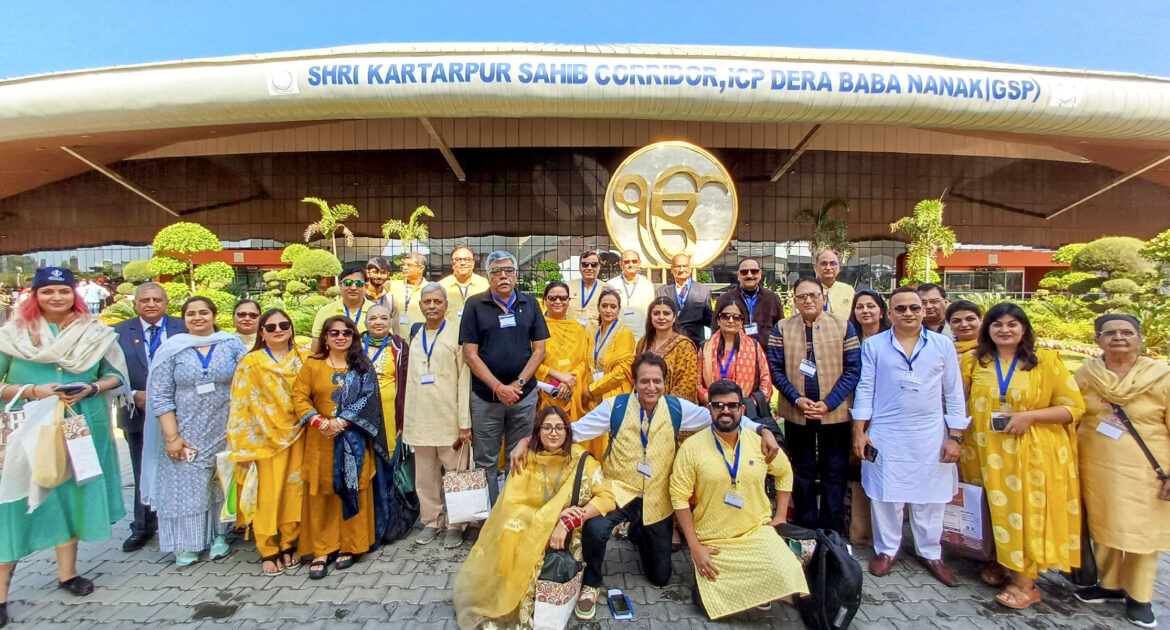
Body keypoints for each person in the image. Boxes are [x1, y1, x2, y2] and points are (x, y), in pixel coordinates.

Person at [508, 353, 781, 620]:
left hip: (657, 499)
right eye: (644, 381)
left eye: (657, 381)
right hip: (617, 490)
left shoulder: (677, 409)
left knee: (660, 578)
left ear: (665, 383)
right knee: (596, 528)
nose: (651, 387)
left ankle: (638, 534)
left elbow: (723, 416)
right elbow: (574, 431)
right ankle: (591, 582)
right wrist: (525, 441)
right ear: (635, 383)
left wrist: (762, 430)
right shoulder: (614, 406)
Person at [0, 267, 129, 625]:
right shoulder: (13, 335)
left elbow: (115, 375)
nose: (56, 298)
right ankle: (1, 593)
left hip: (81, 424)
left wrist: (92, 388)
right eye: (48, 292)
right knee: (14, 501)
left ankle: (67, 574)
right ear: (34, 295)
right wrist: (32, 391)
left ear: (75, 294)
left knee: (73, 492)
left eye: (63, 291)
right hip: (30, 428)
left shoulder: (94, 334)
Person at [959, 302, 1086, 610]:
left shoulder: (1045, 362)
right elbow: (957, 403)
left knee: (1025, 515)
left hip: (1029, 455)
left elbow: (1073, 408)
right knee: (991, 511)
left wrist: (1031, 416)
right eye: (997, 324)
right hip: (983, 453)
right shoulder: (974, 362)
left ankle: (1026, 583)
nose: (1005, 330)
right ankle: (1001, 561)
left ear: (1025, 329)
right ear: (987, 330)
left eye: (1012, 324)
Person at [455, 407, 615, 629]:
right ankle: (512, 596)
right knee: (510, 528)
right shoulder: (526, 458)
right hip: (529, 526)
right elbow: (511, 503)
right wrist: (546, 519)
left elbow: (607, 498)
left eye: (560, 428)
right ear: (537, 432)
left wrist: (569, 520)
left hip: (565, 534)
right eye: (546, 427)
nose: (553, 433)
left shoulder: (582, 461)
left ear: (568, 432)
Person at [851, 287, 966, 587]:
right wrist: (859, 431)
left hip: (929, 431)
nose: (908, 313)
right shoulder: (875, 345)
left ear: (923, 311)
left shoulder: (942, 345)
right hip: (887, 430)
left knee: (930, 496)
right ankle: (886, 551)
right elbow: (865, 388)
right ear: (889, 314)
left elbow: (954, 393)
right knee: (886, 494)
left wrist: (955, 437)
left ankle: (930, 552)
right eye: (900, 309)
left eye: (914, 308)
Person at [672, 379, 808, 620]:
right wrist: (695, 547)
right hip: (714, 538)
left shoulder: (761, 443)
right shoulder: (692, 447)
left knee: (788, 571)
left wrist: (779, 518)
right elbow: (679, 496)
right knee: (708, 601)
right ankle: (754, 593)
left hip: (755, 531)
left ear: (742, 410)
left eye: (732, 406)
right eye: (718, 406)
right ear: (709, 410)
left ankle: (754, 591)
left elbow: (785, 472)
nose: (725, 411)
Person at [1073, 314, 1170, 628]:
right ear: (1098, 340)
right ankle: (1110, 584)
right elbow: (1072, 410)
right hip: (1096, 465)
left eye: (1127, 332)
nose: (1118, 337)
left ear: (1139, 339)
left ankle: (1140, 597)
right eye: (1109, 332)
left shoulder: (1161, 377)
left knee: (1142, 534)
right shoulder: (1087, 374)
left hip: (1147, 468)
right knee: (1104, 524)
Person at [142, 296, 249, 565]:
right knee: (186, 486)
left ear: (214, 316)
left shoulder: (231, 344)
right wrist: (172, 437)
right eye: (191, 313)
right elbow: (161, 395)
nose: (198, 317)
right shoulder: (173, 349)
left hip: (226, 426)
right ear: (184, 318)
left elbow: (250, 379)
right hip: (186, 430)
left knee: (220, 482)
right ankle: (188, 543)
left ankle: (219, 537)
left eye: (204, 312)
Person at [292, 316, 392, 580]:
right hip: (320, 438)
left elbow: (369, 398)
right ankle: (322, 550)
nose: (340, 337)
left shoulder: (361, 366)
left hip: (353, 439)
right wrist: (318, 421)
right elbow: (299, 395)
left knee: (353, 486)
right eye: (333, 332)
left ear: (353, 337)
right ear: (325, 337)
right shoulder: (312, 365)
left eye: (346, 332)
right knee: (322, 490)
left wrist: (342, 420)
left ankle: (351, 545)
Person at [767, 276, 861, 535]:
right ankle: (807, 524)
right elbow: (775, 369)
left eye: (813, 295)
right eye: (801, 296)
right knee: (803, 469)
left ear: (824, 298)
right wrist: (797, 399)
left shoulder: (843, 327)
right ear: (794, 300)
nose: (807, 300)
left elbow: (853, 371)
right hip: (797, 413)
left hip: (835, 414)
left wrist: (828, 403)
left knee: (834, 470)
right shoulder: (782, 328)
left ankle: (831, 527)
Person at [459, 250, 549, 505]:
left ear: (516, 275)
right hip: (487, 398)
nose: (503, 276)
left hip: (523, 397)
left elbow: (540, 350)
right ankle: (488, 519)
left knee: (518, 455)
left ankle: (512, 514)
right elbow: (470, 355)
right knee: (485, 460)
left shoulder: (529, 304)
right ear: (487, 276)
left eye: (508, 270)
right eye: (496, 271)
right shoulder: (475, 305)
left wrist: (518, 385)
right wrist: (499, 388)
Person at [226, 309, 305, 576]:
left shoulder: (302, 359)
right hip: (262, 441)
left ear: (291, 328)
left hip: (299, 436)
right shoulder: (251, 363)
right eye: (270, 327)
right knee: (266, 496)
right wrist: (242, 447)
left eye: (284, 325)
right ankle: (268, 548)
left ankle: (289, 542)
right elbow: (239, 405)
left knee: (294, 492)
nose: (278, 330)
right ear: (262, 333)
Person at [113, 282, 186, 552]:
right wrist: (132, 394)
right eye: (145, 300)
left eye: (157, 299)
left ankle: (181, 523)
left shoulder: (183, 327)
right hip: (137, 412)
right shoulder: (119, 332)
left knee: (182, 467)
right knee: (143, 468)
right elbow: (109, 371)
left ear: (166, 303)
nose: (151, 304)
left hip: (181, 412)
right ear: (136, 304)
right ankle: (143, 527)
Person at [403, 284, 472, 549]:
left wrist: (464, 423)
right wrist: (406, 422)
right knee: (425, 477)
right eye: (427, 302)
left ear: (446, 305)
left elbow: (464, 381)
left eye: (437, 301)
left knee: (455, 475)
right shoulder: (415, 333)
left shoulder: (457, 335)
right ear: (420, 306)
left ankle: (456, 524)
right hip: (420, 420)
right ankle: (432, 520)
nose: (432, 306)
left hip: (450, 420)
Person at [536, 281, 600, 457]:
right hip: (547, 389)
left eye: (563, 297)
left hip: (572, 388)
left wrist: (569, 380)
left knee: (571, 439)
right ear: (544, 301)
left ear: (568, 301)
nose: (558, 301)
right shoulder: (537, 327)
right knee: (547, 436)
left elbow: (584, 361)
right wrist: (557, 377)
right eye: (553, 297)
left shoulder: (577, 329)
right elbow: (531, 361)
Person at [698, 293, 772, 406]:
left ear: (742, 322)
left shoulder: (754, 346)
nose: (731, 320)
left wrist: (750, 404)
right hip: (712, 409)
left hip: (745, 410)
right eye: (725, 316)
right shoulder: (705, 348)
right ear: (718, 320)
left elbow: (766, 381)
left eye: (736, 317)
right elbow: (697, 382)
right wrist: (710, 399)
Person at [362, 304, 408, 455]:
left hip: (390, 411)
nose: (378, 322)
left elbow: (406, 383)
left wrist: (403, 420)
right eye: (373, 318)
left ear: (390, 322)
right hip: (361, 410)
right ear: (365, 323)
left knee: (389, 451)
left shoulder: (399, 346)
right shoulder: (355, 345)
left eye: (383, 318)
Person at [636, 297, 700, 404]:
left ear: (674, 317)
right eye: (656, 313)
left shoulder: (684, 346)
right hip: (643, 406)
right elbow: (637, 375)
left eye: (666, 313)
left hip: (673, 408)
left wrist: (662, 407)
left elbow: (687, 385)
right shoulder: (643, 343)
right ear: (650, 317)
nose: (661, 317)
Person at [310, 265, 384, 353]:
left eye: (358, 283)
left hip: (369, 363)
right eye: (348, 283)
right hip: (334, 364)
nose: (353, 288)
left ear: (365, 286)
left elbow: (387, 343)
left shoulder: (377, 311)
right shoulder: (325, 312)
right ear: (340, 285)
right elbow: (316, 347)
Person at [587, 287, 636, 407]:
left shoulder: (624, 333)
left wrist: (592, 388)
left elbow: (620, 373)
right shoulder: (594, 334)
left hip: (615, 395)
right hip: (594, 397)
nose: (608, 310)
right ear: (598, 307)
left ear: (619, 310)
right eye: (604, 306)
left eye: (613, 307)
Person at [722, 257, 785, 346]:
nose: (749, 275)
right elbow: (716, 329)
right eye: (744, 272)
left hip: (765, 354)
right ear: (738, 276)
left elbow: (781, 329)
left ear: (760, 274)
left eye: (754, 271)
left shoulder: (772, 298)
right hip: (735, 353)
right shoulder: (725, 299)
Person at [656, 253, 713, 349]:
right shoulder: (662, 291)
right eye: (678, 266)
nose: (681, 270)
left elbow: (709, 320)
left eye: (685, 266)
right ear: (672, 269)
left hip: (695, 344)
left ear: (690, 268)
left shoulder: (703, 291)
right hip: (669, 345)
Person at [605, 249, 656, 340]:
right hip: (617, 335)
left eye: (634, 261)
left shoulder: (647, 285)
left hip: (641, 335)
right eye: (627, 262)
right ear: (621, 264)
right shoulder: (611, 284)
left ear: (639, 263)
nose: (631, 264)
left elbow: (651, 312)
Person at [439, 246, 489, 322]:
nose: (462, 263)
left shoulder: (485, 285)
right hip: (450, 333)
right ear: (452, 264)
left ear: (473, 263)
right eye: (458, 260)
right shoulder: (441, 287)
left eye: (467, 260)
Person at [391, 252, 428, 330]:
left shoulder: (430, 289)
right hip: (398, 339)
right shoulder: (393, 286)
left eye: (409, 265)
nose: (404, 268)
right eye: (403, 265)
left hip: (421, 338)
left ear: (421, 268)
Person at [816, 249, 854, 317]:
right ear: (815, 267)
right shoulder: (807, 291)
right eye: (824, 263)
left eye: (833, 263)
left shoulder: (848, 290)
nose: (828, 267)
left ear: (839, 267)